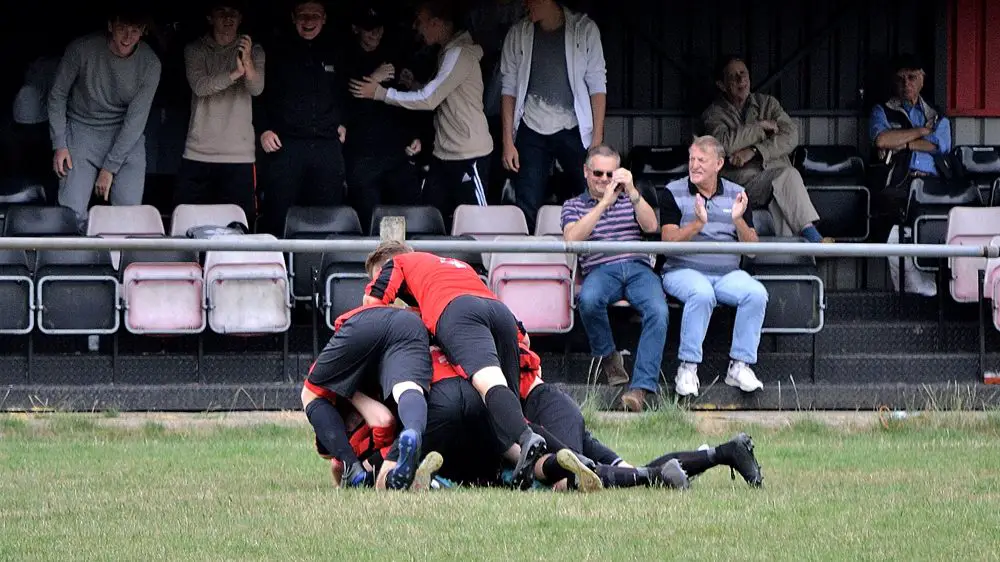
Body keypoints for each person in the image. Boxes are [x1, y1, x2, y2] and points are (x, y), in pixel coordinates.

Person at [362, 241, 547, 490]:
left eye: (379, 275)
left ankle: (527, 440)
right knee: (503, 415)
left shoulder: (400, 262)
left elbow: (372, 305)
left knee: (486, 381)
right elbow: (522, 337)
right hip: (499, 314)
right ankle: (538, 462)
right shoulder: (456, 265)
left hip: (457, 312)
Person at [517, 334, 763, 489]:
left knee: (570, 479)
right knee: (630, 472)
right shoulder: (494, 320)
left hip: (542, 408)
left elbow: (524, 344)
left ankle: (662, 476)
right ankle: (724, 452)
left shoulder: (492, 322)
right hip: (547, 408)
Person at [349, 0, 492, 222]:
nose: (416, 27)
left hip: (468, 154)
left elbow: (428, 100)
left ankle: (484, 259)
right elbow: (443, 94)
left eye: (420, 22)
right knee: (426, 220)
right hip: (443, 154)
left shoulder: (458, 53)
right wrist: (415, 85)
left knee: (479, 223)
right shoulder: (446, 51)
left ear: (435, 23)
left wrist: (380, 93)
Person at [561, 144, 667, 412]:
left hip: (637, 266)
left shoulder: (631, 198)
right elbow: (572, 239)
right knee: (588, 299)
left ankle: (640, 389)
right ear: (586, 172)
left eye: (611, 174)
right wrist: (603, 204)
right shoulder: (573, 205)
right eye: (598, 173)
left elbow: (652, 226)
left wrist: (631, 191)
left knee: (658, 310)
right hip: (600, 268)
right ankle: (609, 358)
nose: (605, 180)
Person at [660, 136, 767, 397]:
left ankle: (739, 366)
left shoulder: (737, 193)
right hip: (681, 270)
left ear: (719, 163)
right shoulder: (672, 191)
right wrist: (696, 225)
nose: (694, 165)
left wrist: (738, 220)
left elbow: (752, 249)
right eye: (691, 159)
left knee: (756, 293)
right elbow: (667, 242)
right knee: (702, 293)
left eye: (701, 160)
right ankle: (688, 367)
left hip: (726, 274)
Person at [48, 6, 162, 229]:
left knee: (128, 218)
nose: (128, 37)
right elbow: (57, 95)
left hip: (125, 138)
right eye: (122, 28)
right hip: (82, 130)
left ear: (143, 31)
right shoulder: (81, 49)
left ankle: (120, 263)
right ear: (110, 25)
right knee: (69, 214)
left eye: (135, 30)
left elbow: (135, 122)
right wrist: (59, 143)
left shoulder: (150, 63)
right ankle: (68, 261)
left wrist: (109, 168)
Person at [301, 303, 433, 490]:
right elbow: (384, 420)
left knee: (310, 394)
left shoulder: (350, 439)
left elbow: (315, 384)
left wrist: (346, 391)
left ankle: (355, 469)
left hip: (368, 324)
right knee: (407, 388)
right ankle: (414, 433)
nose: (349, 425)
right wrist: (348, 392)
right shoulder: (364, 443)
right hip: (408, 325)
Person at [500, 0, 607, 231]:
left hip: (574, 126)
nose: (526, 5)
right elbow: (507, 89)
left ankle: (592, 255)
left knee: (589, 193)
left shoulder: (584, 30)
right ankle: (525, 260)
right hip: (531, 125)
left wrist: (597, 141)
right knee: (526, 201)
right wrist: (508, 141)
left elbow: (597, 85)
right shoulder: (518, 33)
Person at [702, 55, 828, 242]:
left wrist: (754, 150)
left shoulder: (768, 104)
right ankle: (813, 239)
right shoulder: (713, 114)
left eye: (743, 73)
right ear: (722, 85)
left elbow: (791, 136)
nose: (741, 80)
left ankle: (785, 264)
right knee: (789, 175)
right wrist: (759, 127)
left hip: (774, 179)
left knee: (782, 200)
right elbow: (723, 145)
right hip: (741, 185)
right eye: (733, 76)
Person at [255, 0, 348, 237]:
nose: (308, 21)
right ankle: (279, 270)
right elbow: (258, 93)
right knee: (279, 213)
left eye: (314, 15)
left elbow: (348, 92)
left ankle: (324, 269)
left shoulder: (337, 49)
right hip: (286, 145)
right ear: (293, 18)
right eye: (303, 15)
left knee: (329, 216)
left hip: (327, 145)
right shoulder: (277, 50)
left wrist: (344, 121)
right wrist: (264, 129)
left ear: (325, 18)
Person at [175, 0, 265, 228]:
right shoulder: (195, 49)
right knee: (188, 227)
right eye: (221, 12)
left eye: (234, 12)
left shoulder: (253, 50)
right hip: (198, 152)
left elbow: (257, 88)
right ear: (210, 18)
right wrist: (235, 72)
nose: (228, 18)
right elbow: (200, 86)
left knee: (239, 229)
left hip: (239, 156)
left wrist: (247, 64)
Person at [870, 54, 953, 297]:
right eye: (901, 79)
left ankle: (939, 292)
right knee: (897, 236)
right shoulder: (882, 110)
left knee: (937, 232)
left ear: (922, 80)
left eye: (912, 77)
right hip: (900, 183)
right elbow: (882, 140)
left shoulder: (936, 113)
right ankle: (912, 297)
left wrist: (904, 144)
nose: (907, 84)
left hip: (934, 185)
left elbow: (940, 145)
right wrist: (920, 132)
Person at [340, 4, 424, 233]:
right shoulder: (346, 58)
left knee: (410, 217)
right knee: (369, 223)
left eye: (378, 29)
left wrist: (415, 135)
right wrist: (373, 78)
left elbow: (406, 101)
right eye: (368, 29)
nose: (374, 34)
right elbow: (345, 102)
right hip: (361, 156)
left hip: (395, 153)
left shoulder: (394, 58)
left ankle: (407, 266)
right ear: (356, 29)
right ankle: (374, 268)